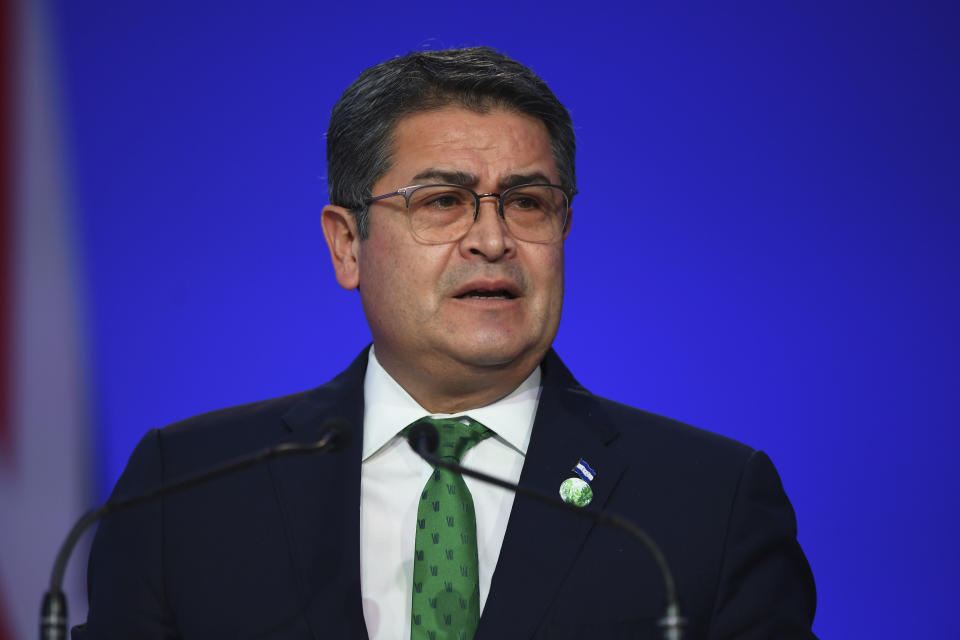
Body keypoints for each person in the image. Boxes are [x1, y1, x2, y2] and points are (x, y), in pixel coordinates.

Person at [75, 47, 816, 639]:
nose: (492, 239)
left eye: (528, 202)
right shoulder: (190, 489)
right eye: (442, 202)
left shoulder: (708, 501)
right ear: (346, 245)